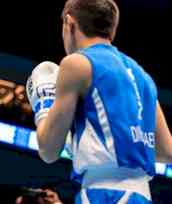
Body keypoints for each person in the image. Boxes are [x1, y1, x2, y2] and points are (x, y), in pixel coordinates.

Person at [26, 0, 172, 203]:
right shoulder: (144, 77)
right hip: (141, 195)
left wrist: (44, 104)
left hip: (103, 194)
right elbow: (166, 151)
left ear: (69, 23)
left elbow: (48, 150)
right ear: (112, 28)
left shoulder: (77, 64)